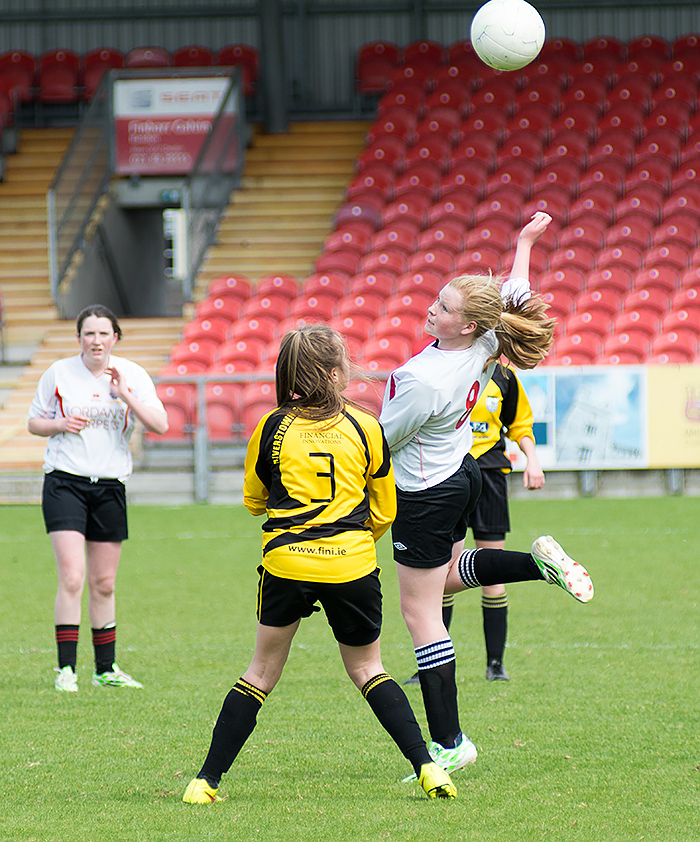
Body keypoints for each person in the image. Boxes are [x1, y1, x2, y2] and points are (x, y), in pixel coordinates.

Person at [183, 324, 456, 804]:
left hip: (287, 565)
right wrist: (349, 543)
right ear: (334, 373)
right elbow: (384, 510)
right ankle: (429, 769)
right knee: (369, 669)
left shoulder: (271, 427)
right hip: (352, 566)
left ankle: (204, 782)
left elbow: (254, 501)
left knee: (260, 673)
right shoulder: (366, 425)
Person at [379, 212, 594, 777]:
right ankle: (536, 565)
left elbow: (379, 442)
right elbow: (515, 298)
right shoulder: (484, 343)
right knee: (447, 578)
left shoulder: (423, 378)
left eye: (445, 307)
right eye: (438, 299)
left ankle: (450, 742)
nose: (433, 309)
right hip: (462, 475)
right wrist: (524, 243)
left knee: (420, 612)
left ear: (467, 325)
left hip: (425, 492)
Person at [27, 304, 169, 692]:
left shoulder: (132, 375)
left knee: (104, 583)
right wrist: (59, 423)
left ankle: (106, 670)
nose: (96, 340)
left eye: (103, 333)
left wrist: (125, 395)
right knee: (73, 577)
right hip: (65, 483)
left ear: (115, 338)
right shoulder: (58, 372)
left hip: (109, 487)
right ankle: (66, 670)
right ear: (79, 338)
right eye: (89, 333)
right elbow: (34, 422)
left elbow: (160, 424)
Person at [404, 365, 545, 685]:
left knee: (492, 576)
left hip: (490, 475)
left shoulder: (504, 377)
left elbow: (520, 423)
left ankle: (495, 665)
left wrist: (532, 460)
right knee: (439, 576)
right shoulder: (442, 372)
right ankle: (430, 665)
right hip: (445, 477)